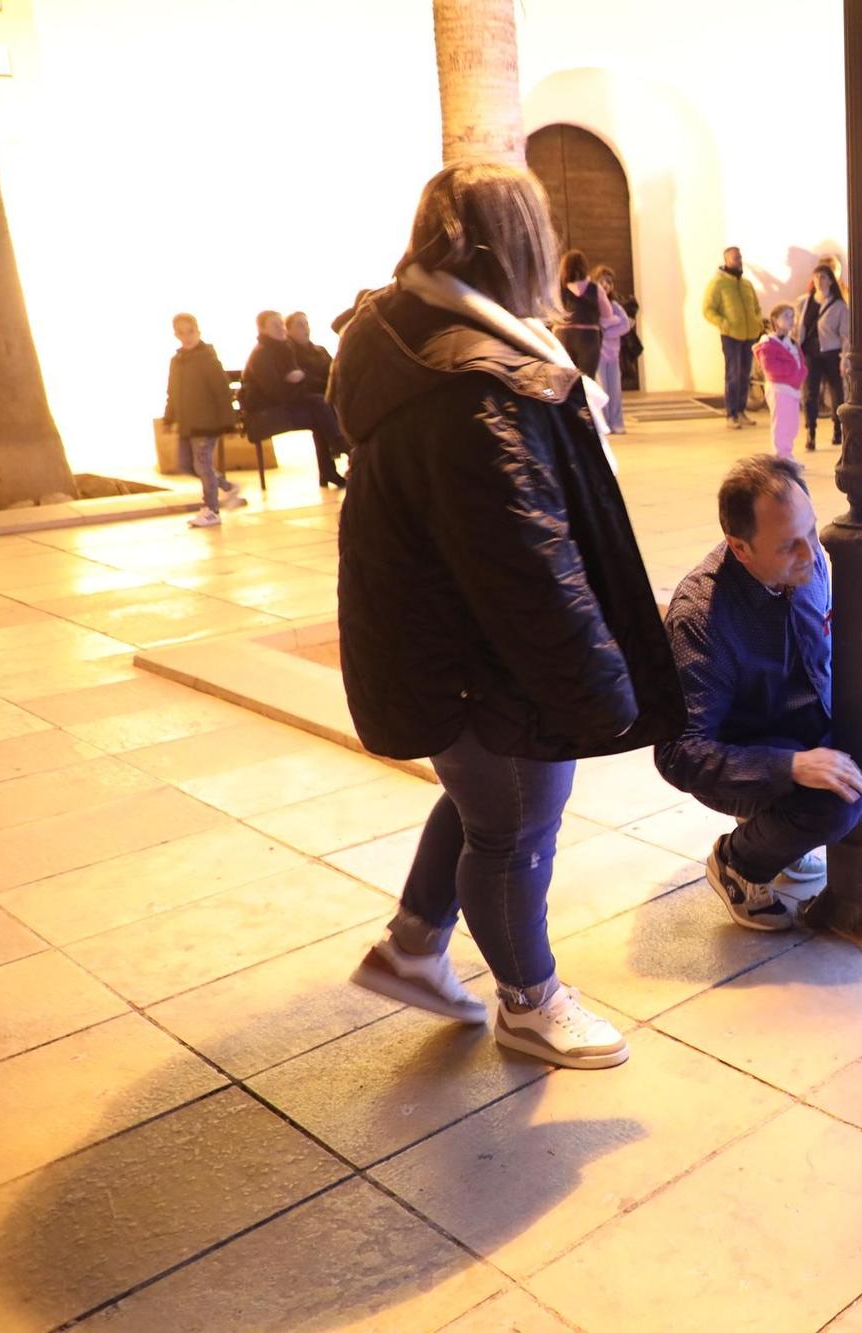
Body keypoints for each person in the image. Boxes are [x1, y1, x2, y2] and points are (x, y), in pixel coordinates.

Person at [331, 162, 682, 1070]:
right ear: (520, 246)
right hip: (485, 662)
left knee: (481, 798)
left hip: (443, 645)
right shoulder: (473, 386)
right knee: (517, 825)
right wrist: (600, 684)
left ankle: (414, 944)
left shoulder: (416, 340)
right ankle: (528, 1003)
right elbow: (528, 564)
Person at [655, 456, 862, 930]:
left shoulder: (808, 560)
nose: (811, 554)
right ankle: (738, 863)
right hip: (749, 754)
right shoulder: (702, 617)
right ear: (740, 548)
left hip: (803, 721)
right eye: (789, 545)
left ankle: (784, 837)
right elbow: (678, 753)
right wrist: (790, 767)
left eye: (811, 532)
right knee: (836, 802)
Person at [243, 309, 347, 488]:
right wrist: (299, 381)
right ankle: (339, 446)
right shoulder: (262, 353)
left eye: (281, 324)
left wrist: (300, 379)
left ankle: (332, 462)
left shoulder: (282, 348)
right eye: (274, 325)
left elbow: (296, 380)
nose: (280, 328)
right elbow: (275, 391)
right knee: (319, 407)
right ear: (262, 329)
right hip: (264, 414)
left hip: (282, 405)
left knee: (320, 408)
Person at [162, 314, 248, 528]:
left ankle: (211, 509)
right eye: (181, 332)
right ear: (176, 335)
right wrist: (169, 417)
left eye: (190, 331)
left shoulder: (207, 358)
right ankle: (228, 487)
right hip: (187, 425)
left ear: (198, 331)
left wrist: (229, 422)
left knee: (202, 465)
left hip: (207, 424)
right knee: (186, 465)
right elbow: (172, 392)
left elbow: (221, 391)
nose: (187, 337)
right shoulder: (177, 361)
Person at [702, 246, 763, 429]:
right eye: (735, 258)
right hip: (731, 336)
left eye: (740, 257)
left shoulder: (746, 284)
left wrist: (758, 322)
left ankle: (741, 411)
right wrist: (724, 324)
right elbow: (708, 309)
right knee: (733, 375)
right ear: (727, 260)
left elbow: (757, 308)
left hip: (749, 335)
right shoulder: (717, 284)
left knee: (745, 374)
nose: (739, 260)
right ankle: (731, 414)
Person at [795, 264, 849, 452]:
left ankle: (837, 428)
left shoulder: (839, 305)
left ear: (831, 280)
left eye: (824, 277)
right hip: (810, 353)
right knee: (810, 392)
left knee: (836, 392)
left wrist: (844, 357)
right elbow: (799, 328)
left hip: (831, 352)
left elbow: (845, 334)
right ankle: (811, 431)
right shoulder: (804, 302)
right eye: (816, 277)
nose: (819, 280)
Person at [753, 305, 806, 460]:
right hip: (779, 389)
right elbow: (770, 367)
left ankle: (787, 454)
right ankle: (781, 456)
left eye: (792, 316)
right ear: (775, 320)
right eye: (786, 316)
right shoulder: (768, 343)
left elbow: (800, 362)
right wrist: (792, 372)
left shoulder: (792, 342)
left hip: (793, 389)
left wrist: (801, 373)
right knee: (781, 424)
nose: (791, 320)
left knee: (791, 424)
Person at [589, 264, 633, 435]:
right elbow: (596, 325)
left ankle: (617, 422)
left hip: (613, 356)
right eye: (602, 281)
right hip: (598, 355)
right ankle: (604, 423)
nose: (605, 285)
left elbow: (625, 325)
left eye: (609, 282)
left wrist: (606, 329)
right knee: (602, 390)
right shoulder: (592, 305)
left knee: (615, 391)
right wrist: (610, 323)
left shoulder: (615, 305)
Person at [554, 249, 608, 378]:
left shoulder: (557, 288)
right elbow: (607, 313)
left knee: (565, 380)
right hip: (588, 336)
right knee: (587, 380)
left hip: (562, 335)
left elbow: (550, 311)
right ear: (584, 267)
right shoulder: (595, 288)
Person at [284, 311, 333, 396]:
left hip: (333, 394)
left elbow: (336, 371)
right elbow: (306, 381)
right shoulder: (289, 355)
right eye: (300, 325)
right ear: (288, 330)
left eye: (306, 324)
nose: (306, 328)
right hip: (314, 400)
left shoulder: (321, 350)